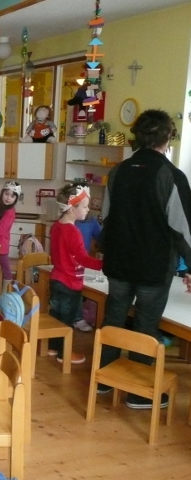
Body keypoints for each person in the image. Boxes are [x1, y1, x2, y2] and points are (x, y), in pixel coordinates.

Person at [98, 109, 191, 408]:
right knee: (146, 325)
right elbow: (182, 228)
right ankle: (139, 394)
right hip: (153, 266)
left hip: (119, 263)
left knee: (114, 318)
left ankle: (103, 380)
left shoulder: (118, 171)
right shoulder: (171, 175)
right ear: (167, 137)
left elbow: (106, 218)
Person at [48, 184, 103, 365]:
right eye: (85, 206)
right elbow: (83, 258)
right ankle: (64, 354)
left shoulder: (56, 226)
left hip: (56, 279)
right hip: (70, 283)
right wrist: (104, 265)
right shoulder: (73, 232)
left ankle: (53, 347)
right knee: (67, 321)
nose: (89, 210)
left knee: (56, 317)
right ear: (72, 209)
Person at [73, 211, 102, 332]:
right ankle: (77, 318)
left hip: (84, 261)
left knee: (84, 288)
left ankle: (82, 316)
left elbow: (101, 236)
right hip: (72, 261)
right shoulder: (69, 221)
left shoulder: (91, 220)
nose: (86, 209)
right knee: (75, 288)